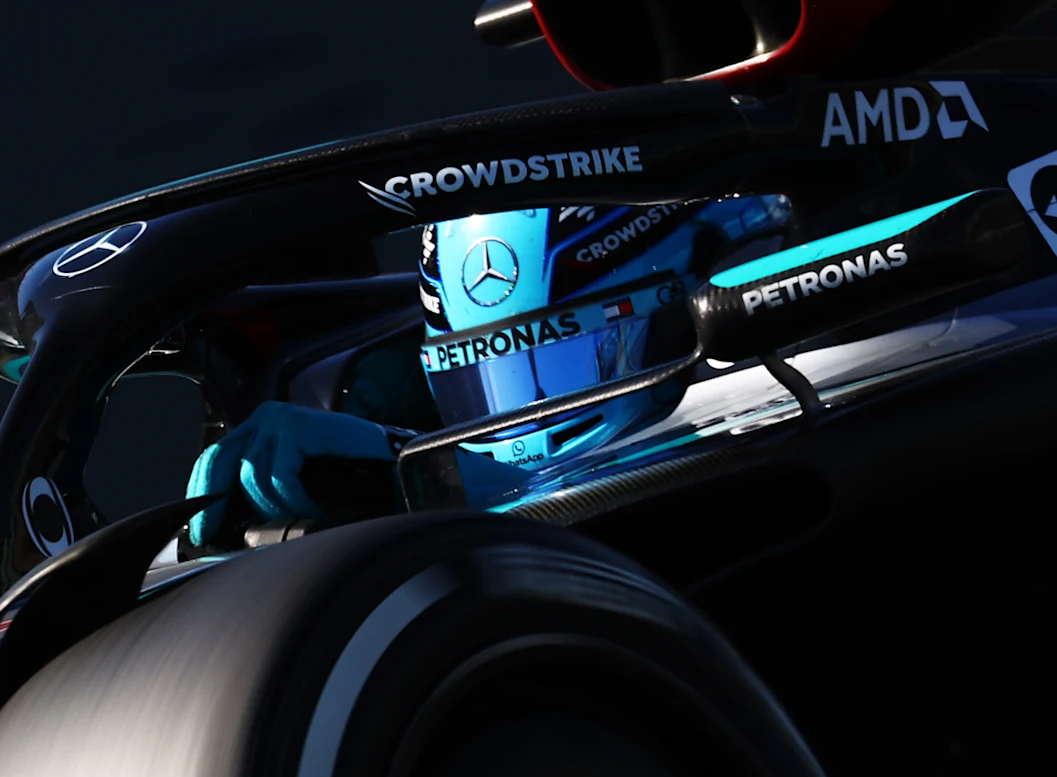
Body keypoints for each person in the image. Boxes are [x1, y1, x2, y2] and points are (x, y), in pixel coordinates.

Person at [185, 194, 791, 547]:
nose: (519, 420)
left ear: (685, 317)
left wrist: (415, 476)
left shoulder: (796, 411)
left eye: (560, 364)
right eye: (477, 382)